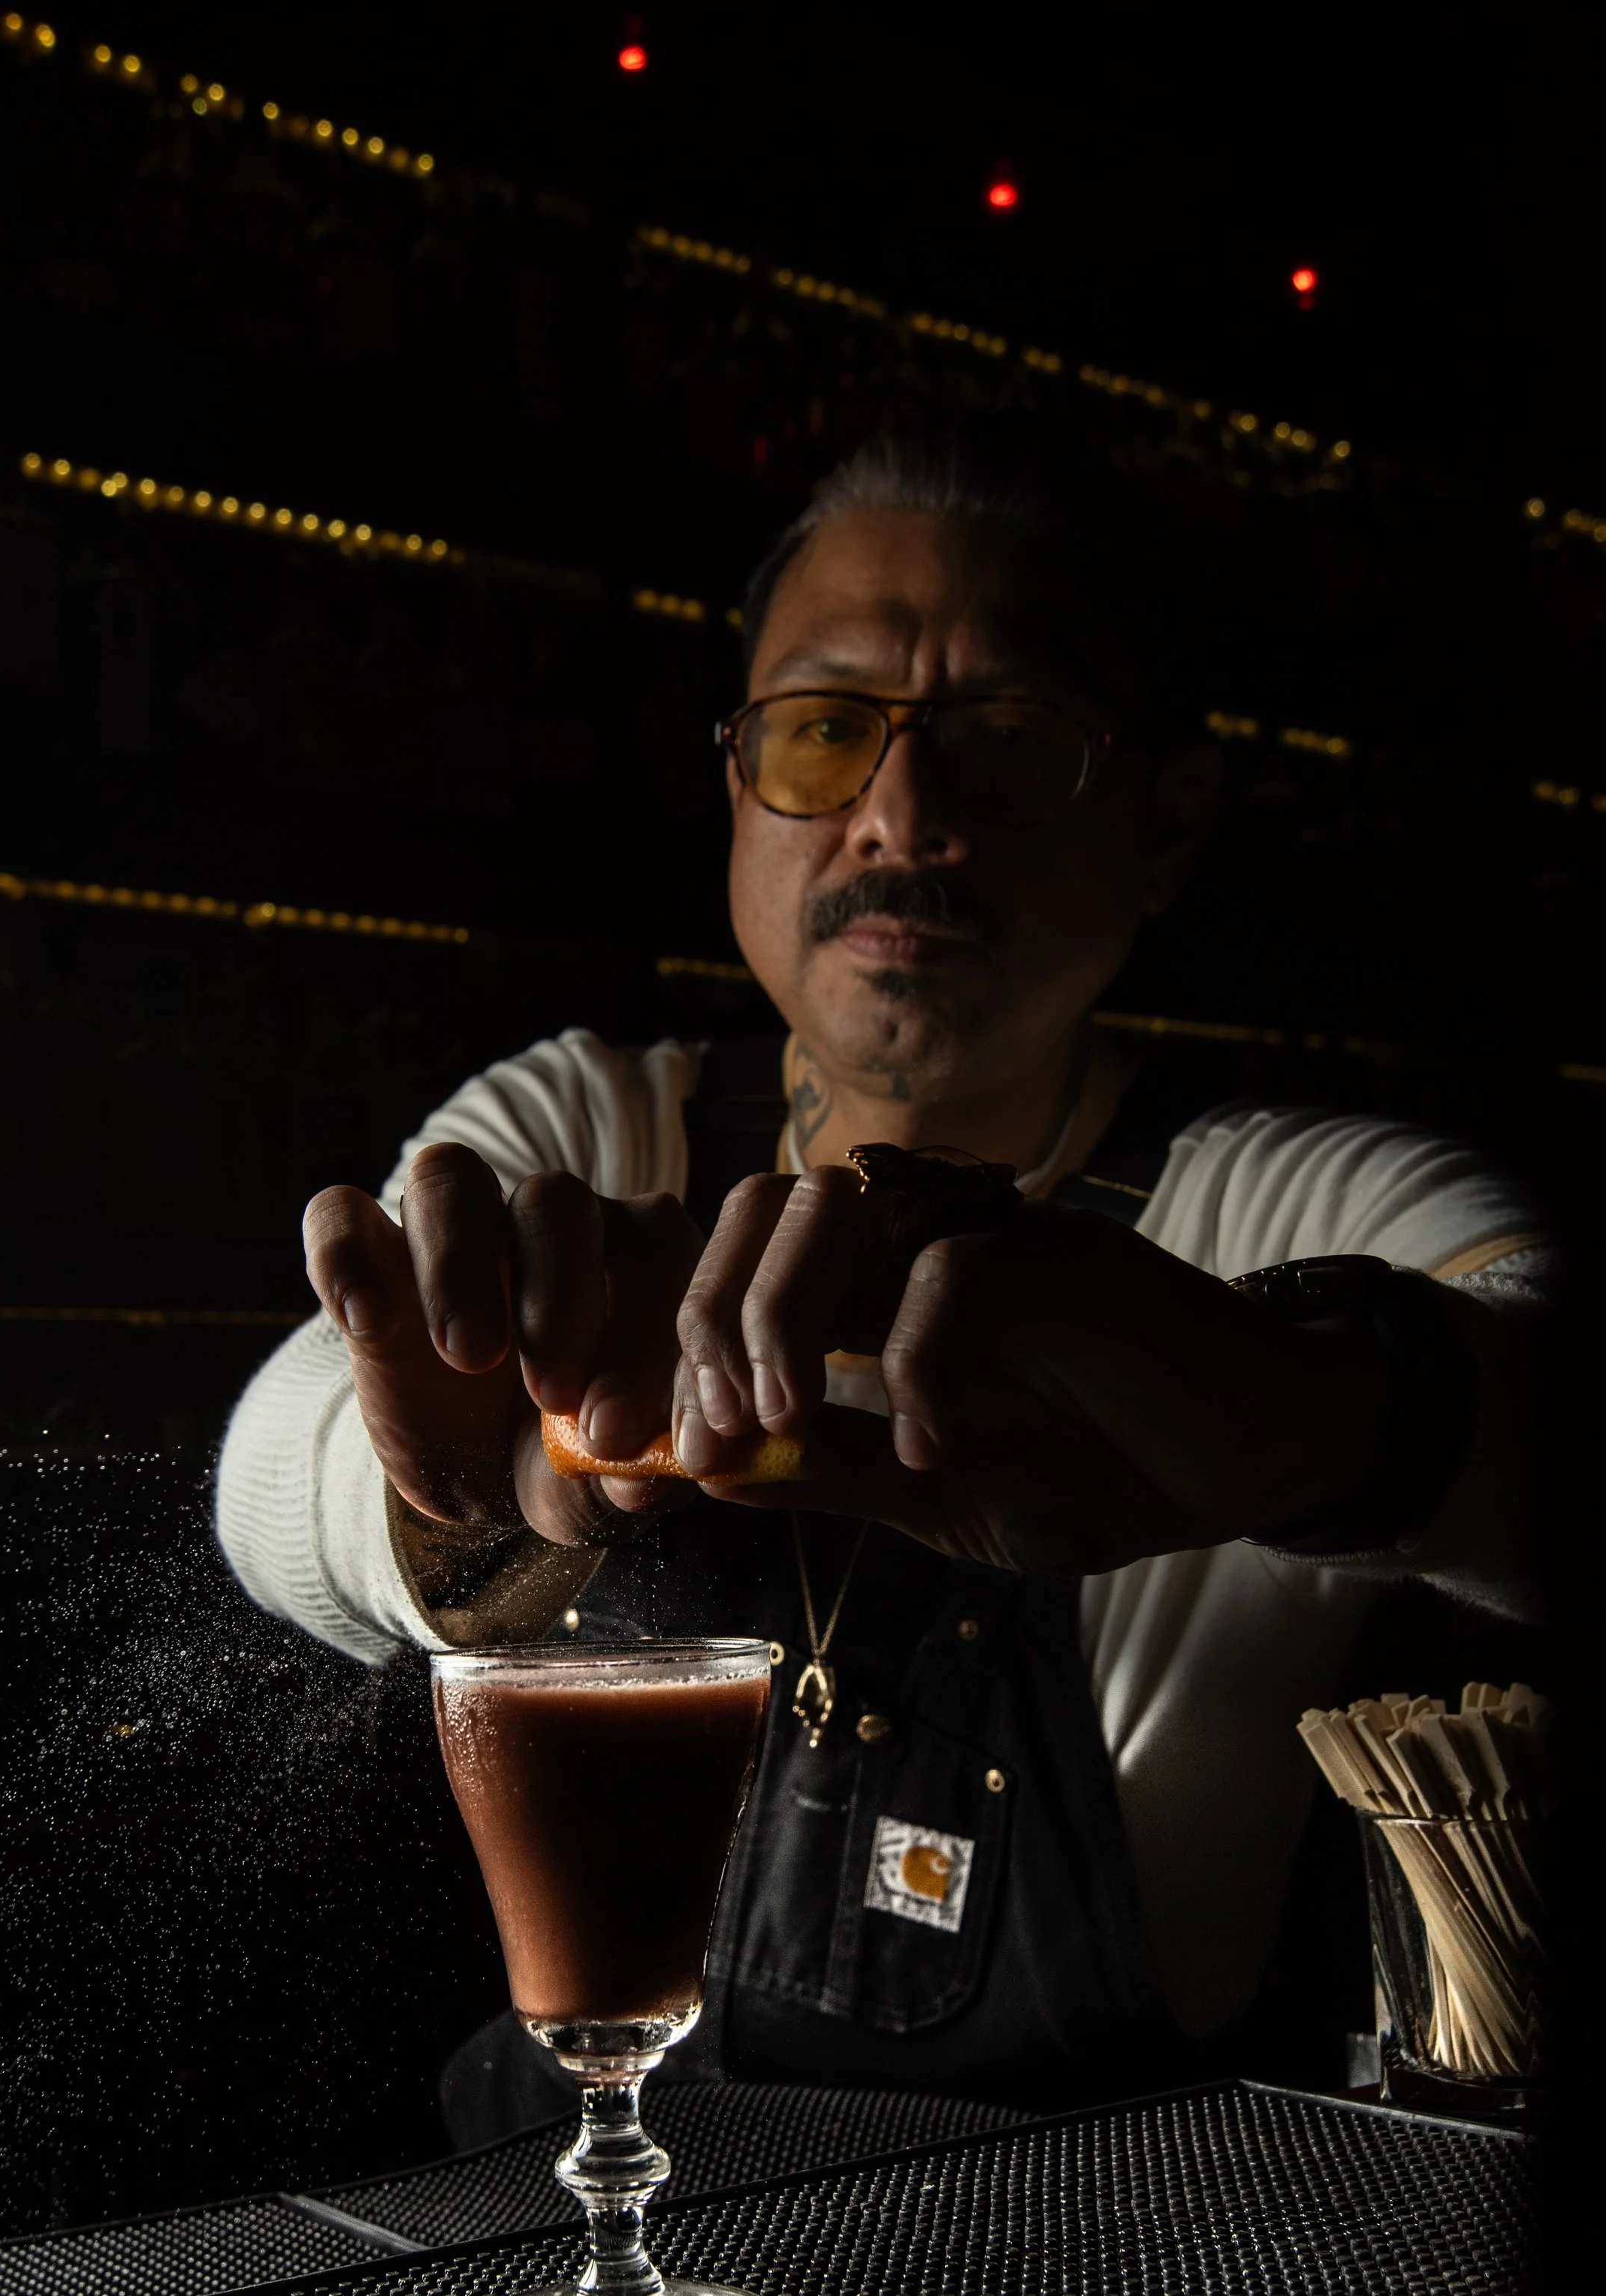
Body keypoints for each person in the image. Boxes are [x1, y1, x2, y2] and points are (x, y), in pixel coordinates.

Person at [216, 420, 1547, 2142]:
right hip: (587, 2203)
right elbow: (270, 1469)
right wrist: (468, 1489)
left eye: (1008, 744)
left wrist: (1314, 1414)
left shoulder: (1294, 1196)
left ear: (1165, 819)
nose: (900, 817)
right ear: (736, 779)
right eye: (829, 731)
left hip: (1090, 2269)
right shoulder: (592, 1124)